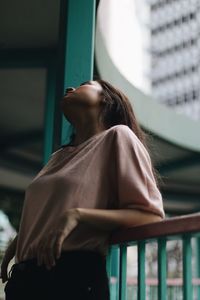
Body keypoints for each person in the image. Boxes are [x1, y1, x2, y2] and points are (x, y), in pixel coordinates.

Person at [0, 79, 165, 299]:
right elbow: (51, 208)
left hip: (71, 278)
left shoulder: (118, 136)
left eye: (84, 84)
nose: (70, 89)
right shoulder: (58, 157)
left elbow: (150, 216)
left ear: (106, 100)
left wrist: (78, 216)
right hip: (25, 279)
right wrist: (22, 239)